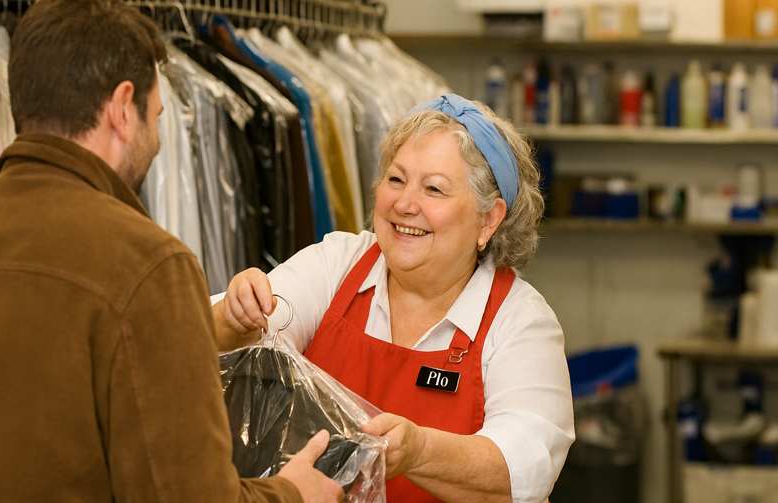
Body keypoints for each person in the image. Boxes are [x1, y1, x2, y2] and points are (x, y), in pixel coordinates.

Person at [0, 1, 342, 502]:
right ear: (122, 108)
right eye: (155, 117)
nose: (155, 142)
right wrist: (293, 493)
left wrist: (206, 330)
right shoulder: (147, 264)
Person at [214, 94, 576, 503]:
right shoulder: (338, 264)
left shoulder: (521, 322)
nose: (404, 204)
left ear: (488, 220)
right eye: (396, 179)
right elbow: (241, 340)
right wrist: (233, 314)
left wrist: (419, 450)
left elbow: (522, 468)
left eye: (434, 189)